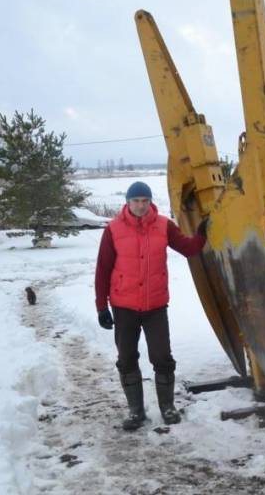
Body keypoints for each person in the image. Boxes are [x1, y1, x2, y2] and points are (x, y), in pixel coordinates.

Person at [95, 181, 206, 430]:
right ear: (128, 202)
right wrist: (101, 306)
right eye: (136, 201)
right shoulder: (113, 230)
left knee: (162, 357)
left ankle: (167, 407)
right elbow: (102, 270)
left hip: (155, 306)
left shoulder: (164, 226)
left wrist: (202, 235)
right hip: (124, 307)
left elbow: (188, 249)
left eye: (145, 200)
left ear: (150, 202)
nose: (141, 205)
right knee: (126, 358)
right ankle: (136, 412)